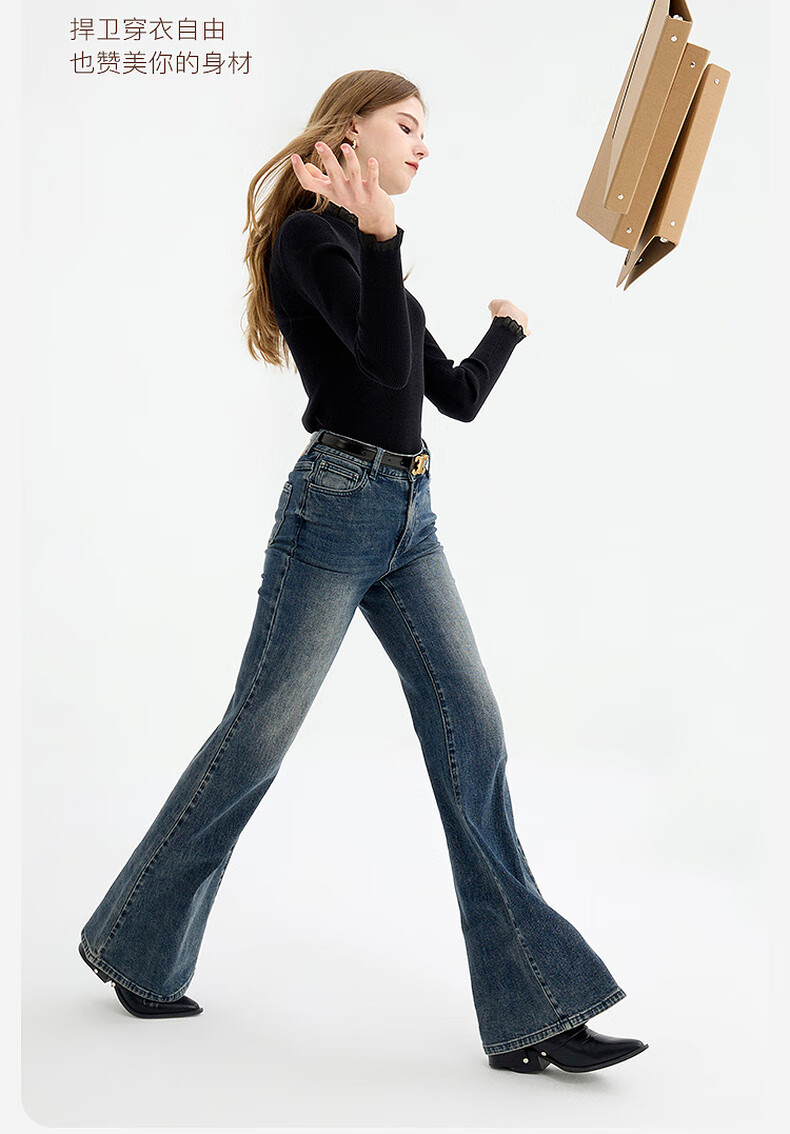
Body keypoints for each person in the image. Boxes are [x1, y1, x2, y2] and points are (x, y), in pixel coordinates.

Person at [78, 69, 648, 1075]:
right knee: (258, 734)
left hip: (409, 519)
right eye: (407, 124)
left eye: (426, 131)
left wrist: (507, 329)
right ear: (352, 131)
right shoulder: (313, 242)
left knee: (473, 734)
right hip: (335, 509)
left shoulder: (374, 256)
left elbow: (450, 397)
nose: (424, 145)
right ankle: (134, 944)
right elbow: (380, 376)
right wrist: (381, 241)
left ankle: (535, 1010)